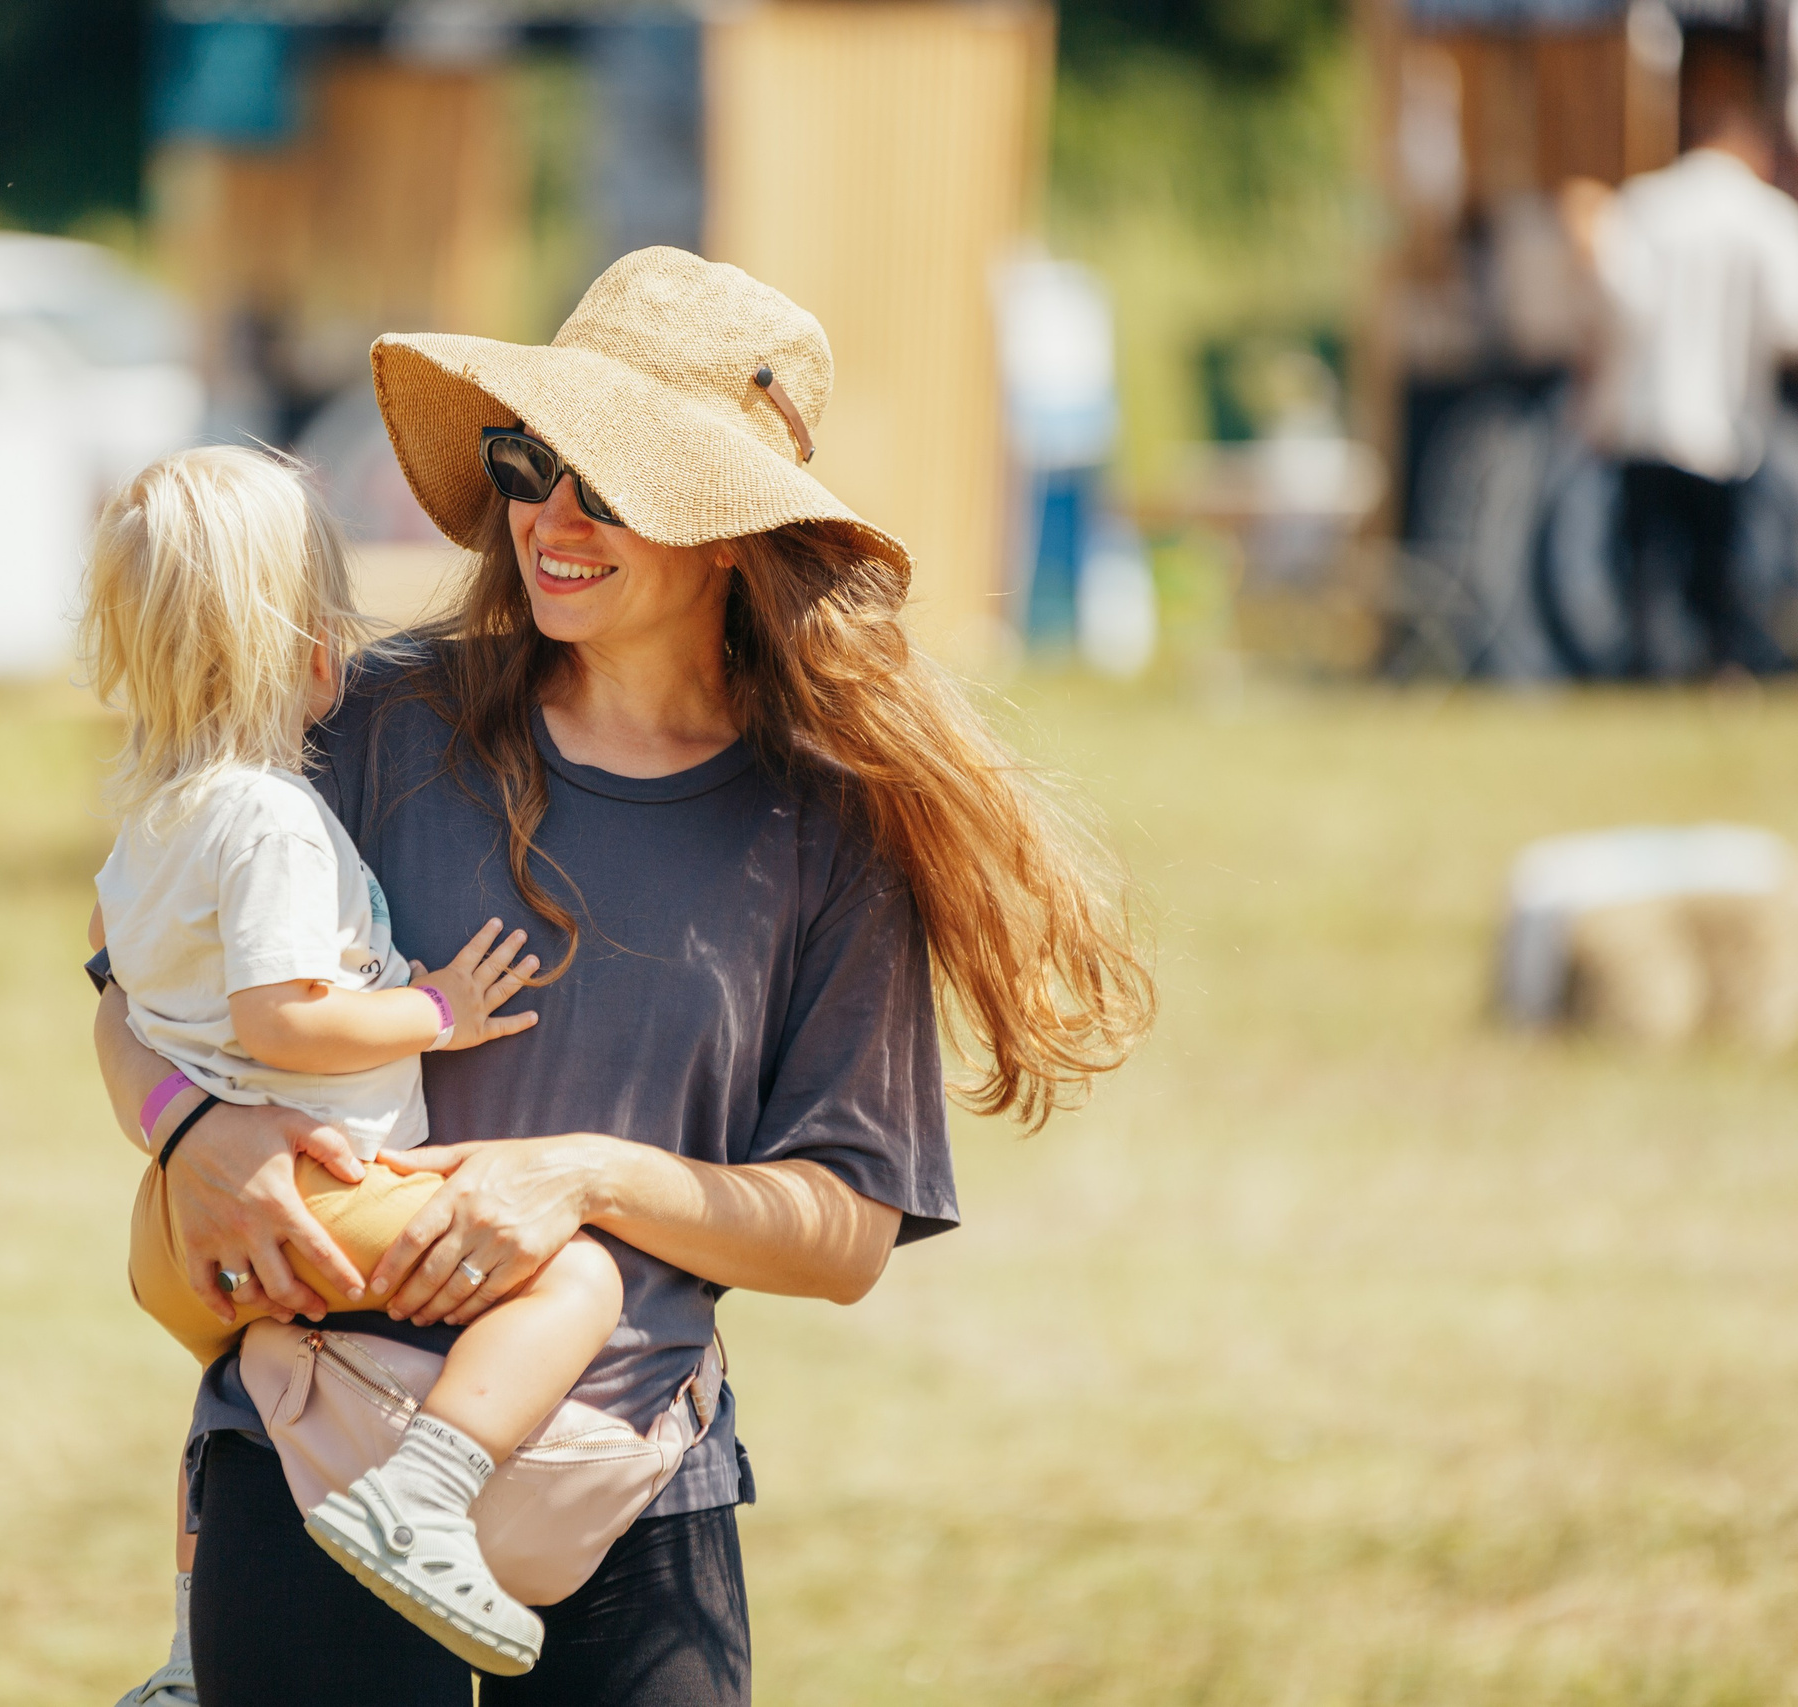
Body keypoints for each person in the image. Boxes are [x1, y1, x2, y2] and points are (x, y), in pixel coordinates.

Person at [90, 246, 1153, 1705]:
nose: (552, 516)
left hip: (632, 1480)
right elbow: (131, 993)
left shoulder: (829, 830)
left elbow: (843, 1236)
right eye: (529, 464)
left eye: (610, 481)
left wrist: (587, 1178)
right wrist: (191, 1129)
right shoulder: (369, 722)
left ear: (728, 532)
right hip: (311, 1439)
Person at [87, 445, 629, 1694]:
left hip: (174, 1228)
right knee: (579, 1276)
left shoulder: (151, 823)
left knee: (242, 1396)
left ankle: (190, 1652)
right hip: (320, 1189)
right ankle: (425, 1497)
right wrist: (433, 1009)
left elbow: (132, 984)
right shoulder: (272, 819)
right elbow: (283, 1020)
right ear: (313, 648)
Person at [1571, 46, 1798, 676]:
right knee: (1724, 572)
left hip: (1646, 422)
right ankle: (1723, 674)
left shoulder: (1645, 206)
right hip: (1729, 427)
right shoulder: (1767, 216)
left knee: (1648, 570)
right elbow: (1789, 322)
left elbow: (1615, 305)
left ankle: (1652, 677)